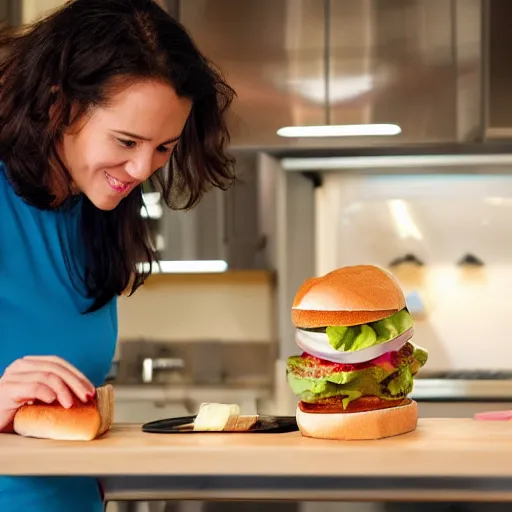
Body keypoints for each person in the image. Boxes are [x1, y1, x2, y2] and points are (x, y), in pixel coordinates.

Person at [0, 0, 235, 510]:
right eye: (127, 140)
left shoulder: (92, 213)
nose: (140, 168)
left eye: (163, 148)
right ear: (59, 103)